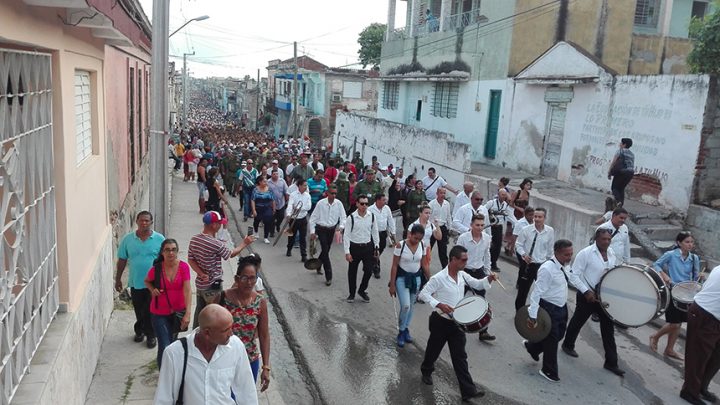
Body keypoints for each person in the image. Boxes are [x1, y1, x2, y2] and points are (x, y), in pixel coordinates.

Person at [418, 245, 496, 401]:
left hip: (457, 324)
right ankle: (426, 370)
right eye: (463, 259)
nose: (466, 262)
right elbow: (423, 294)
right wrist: (439, 304)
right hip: (440, 321)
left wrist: (488, 278)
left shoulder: (463, 275)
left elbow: (478, 284)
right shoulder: (438, 278)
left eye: (466, 259)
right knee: (433, 351)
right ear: (453, 260)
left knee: (460, 357)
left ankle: (468, 392)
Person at [154, 304, 259, 405]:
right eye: (226, 330)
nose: (231, 333)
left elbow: (246, 390)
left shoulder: (235, 346)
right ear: (207, 333)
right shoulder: (174, 353)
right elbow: (164, 398)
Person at [562, 228, 624, 377]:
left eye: (609, 239)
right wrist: (586, 291)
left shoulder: (611, 254)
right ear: (596, 239)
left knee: (608, 329)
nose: (607, 242)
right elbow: (574, 276)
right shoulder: (586, 253)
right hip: (587, 296)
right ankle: (567, 345)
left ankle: (611, 362)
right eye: (604, 239)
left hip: (604, 298)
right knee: (578, 321)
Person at [188, 211, 255, 329]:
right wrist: (244, 243)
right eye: (219, 223)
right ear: (213, 225)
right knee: (215, 315)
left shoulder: (195, 239)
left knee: (200, 312)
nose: (220, 226)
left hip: (200, 285)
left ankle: (196, 335)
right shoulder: (215, 243)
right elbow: (230, 254)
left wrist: (201, 274)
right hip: (213, 286)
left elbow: (191, 260)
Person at [524, 239, 574, 383]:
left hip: (561, 307)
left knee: (559, 335)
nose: (569, 257)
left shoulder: (565, 265)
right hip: (548, 308)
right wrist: (532, 315)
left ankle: (532, 347)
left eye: (571, 254)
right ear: (556, 253)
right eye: (566, 254)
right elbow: (536, 293)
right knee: (552, 341)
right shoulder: (547, 269)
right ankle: (549, 371)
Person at [217, 258, 271, 389]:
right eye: (245, 278)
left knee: (245, 398)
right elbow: (209, 327)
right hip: (224, 360)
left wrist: (266, 367)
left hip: (249, 360)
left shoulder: (260, 302)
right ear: (236, 279)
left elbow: (264, 335)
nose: (249, 282)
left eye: (253, 278)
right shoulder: (222, 298)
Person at [115, 211, 165, 348]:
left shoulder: (159, 239)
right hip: (136, 282)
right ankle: (140, 330)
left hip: (153, 283)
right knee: (139, 309)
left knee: (151, 310)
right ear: (136, 221)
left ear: (151, 222)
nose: (144, 223)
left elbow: (165, 260)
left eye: (147, 221)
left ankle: (151, 336)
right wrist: (118, 279)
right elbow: (122, 260)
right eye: (141, 220)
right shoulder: (128, 240)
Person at [649, 231, 701, 360]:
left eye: (692, 242)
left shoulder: (694, 258)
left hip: (686, 294)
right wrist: (664, 275)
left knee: (679, 323)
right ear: (679, 243)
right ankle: (655, 336)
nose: (690, 245)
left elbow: (695, 279)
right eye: (687, 242)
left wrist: (700, 278)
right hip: (672, 291)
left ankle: (670, 349)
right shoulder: (671, 255)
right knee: (675, 324)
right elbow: (656, 264)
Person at [144, 239, 192, 368]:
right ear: (162, 252)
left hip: (177, 313)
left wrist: (187, 314)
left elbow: (188, 290)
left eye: (173, 249)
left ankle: (172, 372)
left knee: (173, 344)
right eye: (167, 250)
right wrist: (152, 290)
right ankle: (164, 377)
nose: (171, 253)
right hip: (159, 312)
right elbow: (147, 281)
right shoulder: (157, 269)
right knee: (165, 346)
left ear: (177, 251)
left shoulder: (183, 267)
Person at [680, 265, 720, 405]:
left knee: (716, 357)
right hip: (704, 315)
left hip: (715, 317)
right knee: (698, 357)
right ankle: (689, 392)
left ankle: (702, 387)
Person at [389, 224, 430, 348]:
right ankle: (401, 331)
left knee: (411, 305)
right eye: (415, 238)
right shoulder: (400, 246)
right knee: (405, 305)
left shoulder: (422, 246)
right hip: (402, 279)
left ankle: (406, 328)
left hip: (416, 279)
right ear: (410, 234)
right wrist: (392, 284)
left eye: (419, 239)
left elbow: (424, 264)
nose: (416, 241)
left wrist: (430, 280)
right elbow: (394, 265)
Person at [456, 214, 496, 341]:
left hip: (478, 272)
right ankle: (454, 325)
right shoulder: (463, 238)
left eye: (482, 225)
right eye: (477, 225)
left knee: (481, 301)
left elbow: (487, 255)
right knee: (457, 299)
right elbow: (456, 255)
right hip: (464, 271)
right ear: (471, 225)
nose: (480, 228)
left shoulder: (487, 238)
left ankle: (483, 331)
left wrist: (488, 271)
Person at [514, 208, 555, 310]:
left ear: (544, 218)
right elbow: (518, 245)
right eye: (535, 216)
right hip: (528, 264)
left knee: (542, 292)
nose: (536, 219)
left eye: (539, 217)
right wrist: (524, 255)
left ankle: (538, 313)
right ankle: (519, 313)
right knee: (523, 292)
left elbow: (550, 249)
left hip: (542, 265)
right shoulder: (526, 230)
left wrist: (551, 264)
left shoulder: (550, 231)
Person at [343, 195, 380, 303]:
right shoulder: (351, 218)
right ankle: (352, 293)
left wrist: (376, 247)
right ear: (357, 204)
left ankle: (362, 290)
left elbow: (375, 232)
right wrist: (347, 252)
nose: (364, 206)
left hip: (368, 247)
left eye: (366, 204)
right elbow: (346, 235)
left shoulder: (371, 216)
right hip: (355, 247)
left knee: (369, 270)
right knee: (352, 272)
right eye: (362, 203)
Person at [309, 185, 346, 285]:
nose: (333, 195)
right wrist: (312, 232)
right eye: (332, 193)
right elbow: (313, 218)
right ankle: (329, 276)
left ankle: (318, 264)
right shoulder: (321, 204)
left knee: (326, 249)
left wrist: (341, 227)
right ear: (327, 193)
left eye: (335, 193)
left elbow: (343, 217)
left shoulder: (339, 204)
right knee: (325, 250)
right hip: (321, 229)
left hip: (331, 230)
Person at [485, 189, 517, 271]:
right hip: (490, 226)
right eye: (502, 194)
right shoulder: (491, 203)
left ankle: (494, 263)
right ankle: (486, 262)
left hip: (499, 227)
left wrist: (517, 225)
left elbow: (510, 216)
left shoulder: (505, 205)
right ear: (498, 195)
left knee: (498, 246)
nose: (504, 196)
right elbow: (483, 212)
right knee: (489, 245)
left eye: (505, 195)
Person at [368, 193, 396, 279]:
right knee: (375, 250)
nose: (385, 201)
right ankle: (376, 269)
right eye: (383, 200)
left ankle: (370, 262)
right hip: (373, 234)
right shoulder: (370, 209)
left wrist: (393, 233)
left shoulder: (387, 208)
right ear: (378, 200)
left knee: (381, 248)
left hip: (383, 233)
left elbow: (390, 220)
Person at [285, 178, 312, 261]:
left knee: (303, 238)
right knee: (291, 236)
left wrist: (299, 208)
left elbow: (308, 206)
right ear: (299, 186)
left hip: (303, 218)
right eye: (304, 185)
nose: (306, 187)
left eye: (306, 185)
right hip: (294, 219)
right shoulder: (293, 194)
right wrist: (289, 214)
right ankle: (289, 249)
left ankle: (303, 255)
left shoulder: (307, 195)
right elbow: (290, 205)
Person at [507, 178, 532, 255]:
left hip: (523, 214)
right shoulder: (517, 193)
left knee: (520, 231)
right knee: (513, 230)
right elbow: (511, 203)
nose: (529, 186)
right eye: (527, 184)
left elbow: (527, 205)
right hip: (514, 213)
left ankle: (511, 246)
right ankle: (509, 246)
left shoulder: (528, 194)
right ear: (523, 185)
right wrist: (519, 208)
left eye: (530, 185)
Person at [429, 187, 452, 269]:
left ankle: (445, 268)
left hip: (442, 228)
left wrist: (449, 227)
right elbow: (428, 216)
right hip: (433, 228)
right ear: (437, 194)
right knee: (428, 248)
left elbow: (449, 216)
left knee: (443, 249)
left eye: (444, 193)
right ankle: (423, 266)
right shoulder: (432, 204)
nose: (443, 195)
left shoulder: (447, 204)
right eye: (441, 193)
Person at [607, 138, 635, 206]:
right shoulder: (632, 154)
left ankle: (618, 201)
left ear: (624, 144)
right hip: (630, 173)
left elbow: (614, 162)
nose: (620, 144)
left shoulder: (620, 151)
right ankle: (620, 205)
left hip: (621, 172)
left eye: (621, 143)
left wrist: (609, 172)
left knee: (614, 188)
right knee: (621, 188)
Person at [512, 206, 535, 289]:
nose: (532, 217)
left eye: (533, 215)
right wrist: (512, 248)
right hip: (520, 248)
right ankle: (519, 283)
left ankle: (524, 281)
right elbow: (515, 235)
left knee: (526, 266)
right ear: (525, 214)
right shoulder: (520, 223)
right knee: (523, 266)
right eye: (530, 215)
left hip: (528, 249)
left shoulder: (534, 223)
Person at [251, 175, 275, 244]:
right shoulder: (255, 190)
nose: (266, 183)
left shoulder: (269, 190)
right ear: (260, 182)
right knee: (256, 221)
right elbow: (252, 200)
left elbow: (273, 200)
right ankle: (256, 232)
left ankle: (265, 237)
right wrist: (254, 210)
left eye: (266, 181)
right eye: (264, 181)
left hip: (267, 208)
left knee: (267, 222)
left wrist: (274, 209)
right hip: (258, 208)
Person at [268, 169, 288, 238]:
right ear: (271, 175)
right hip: (271, 204)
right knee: (272, 218)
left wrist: (287, 200)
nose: (276, 175)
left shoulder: (282, 181)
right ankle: (272, 232)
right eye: (274, 174)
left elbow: (286, 191)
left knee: (281, 216)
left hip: (281, 203)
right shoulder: (268, 182)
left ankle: (278, 224)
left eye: (277, 174)